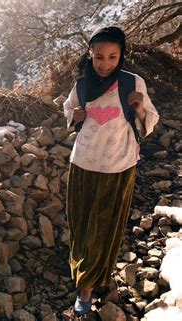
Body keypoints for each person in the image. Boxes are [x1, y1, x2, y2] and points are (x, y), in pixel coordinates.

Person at [62, 26, 159, 316]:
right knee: (82, 227)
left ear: (121, 56)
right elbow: (69, 111)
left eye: (112, 57)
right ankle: (88, 280)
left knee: (106, 227)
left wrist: (140, 109)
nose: (105, 64)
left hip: (119, 166)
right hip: (83, 165)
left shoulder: (133, 83)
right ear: (90, 56)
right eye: (99, 57)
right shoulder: (81, 85)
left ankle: (91, 284)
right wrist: (75, 116)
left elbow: (149, 121)